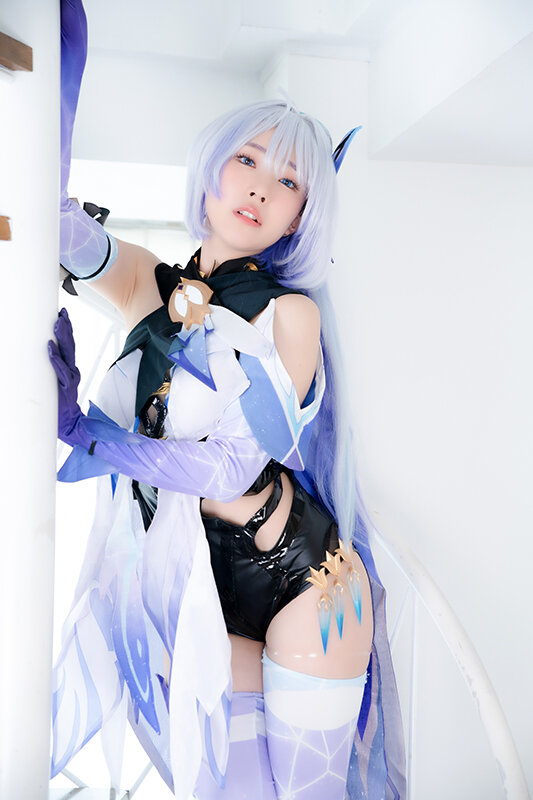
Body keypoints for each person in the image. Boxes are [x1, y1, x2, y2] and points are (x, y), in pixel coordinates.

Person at [50, 2, 406, 798]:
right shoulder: (149, 284)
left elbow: (230, 469)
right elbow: (59, 229)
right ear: (209, 172)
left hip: (306, 583)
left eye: (288, 181)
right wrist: (53, 97)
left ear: (300, 215)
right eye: (246, 159)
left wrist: (86, 434)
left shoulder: (291, 315)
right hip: (197, 585)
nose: (259, 187)